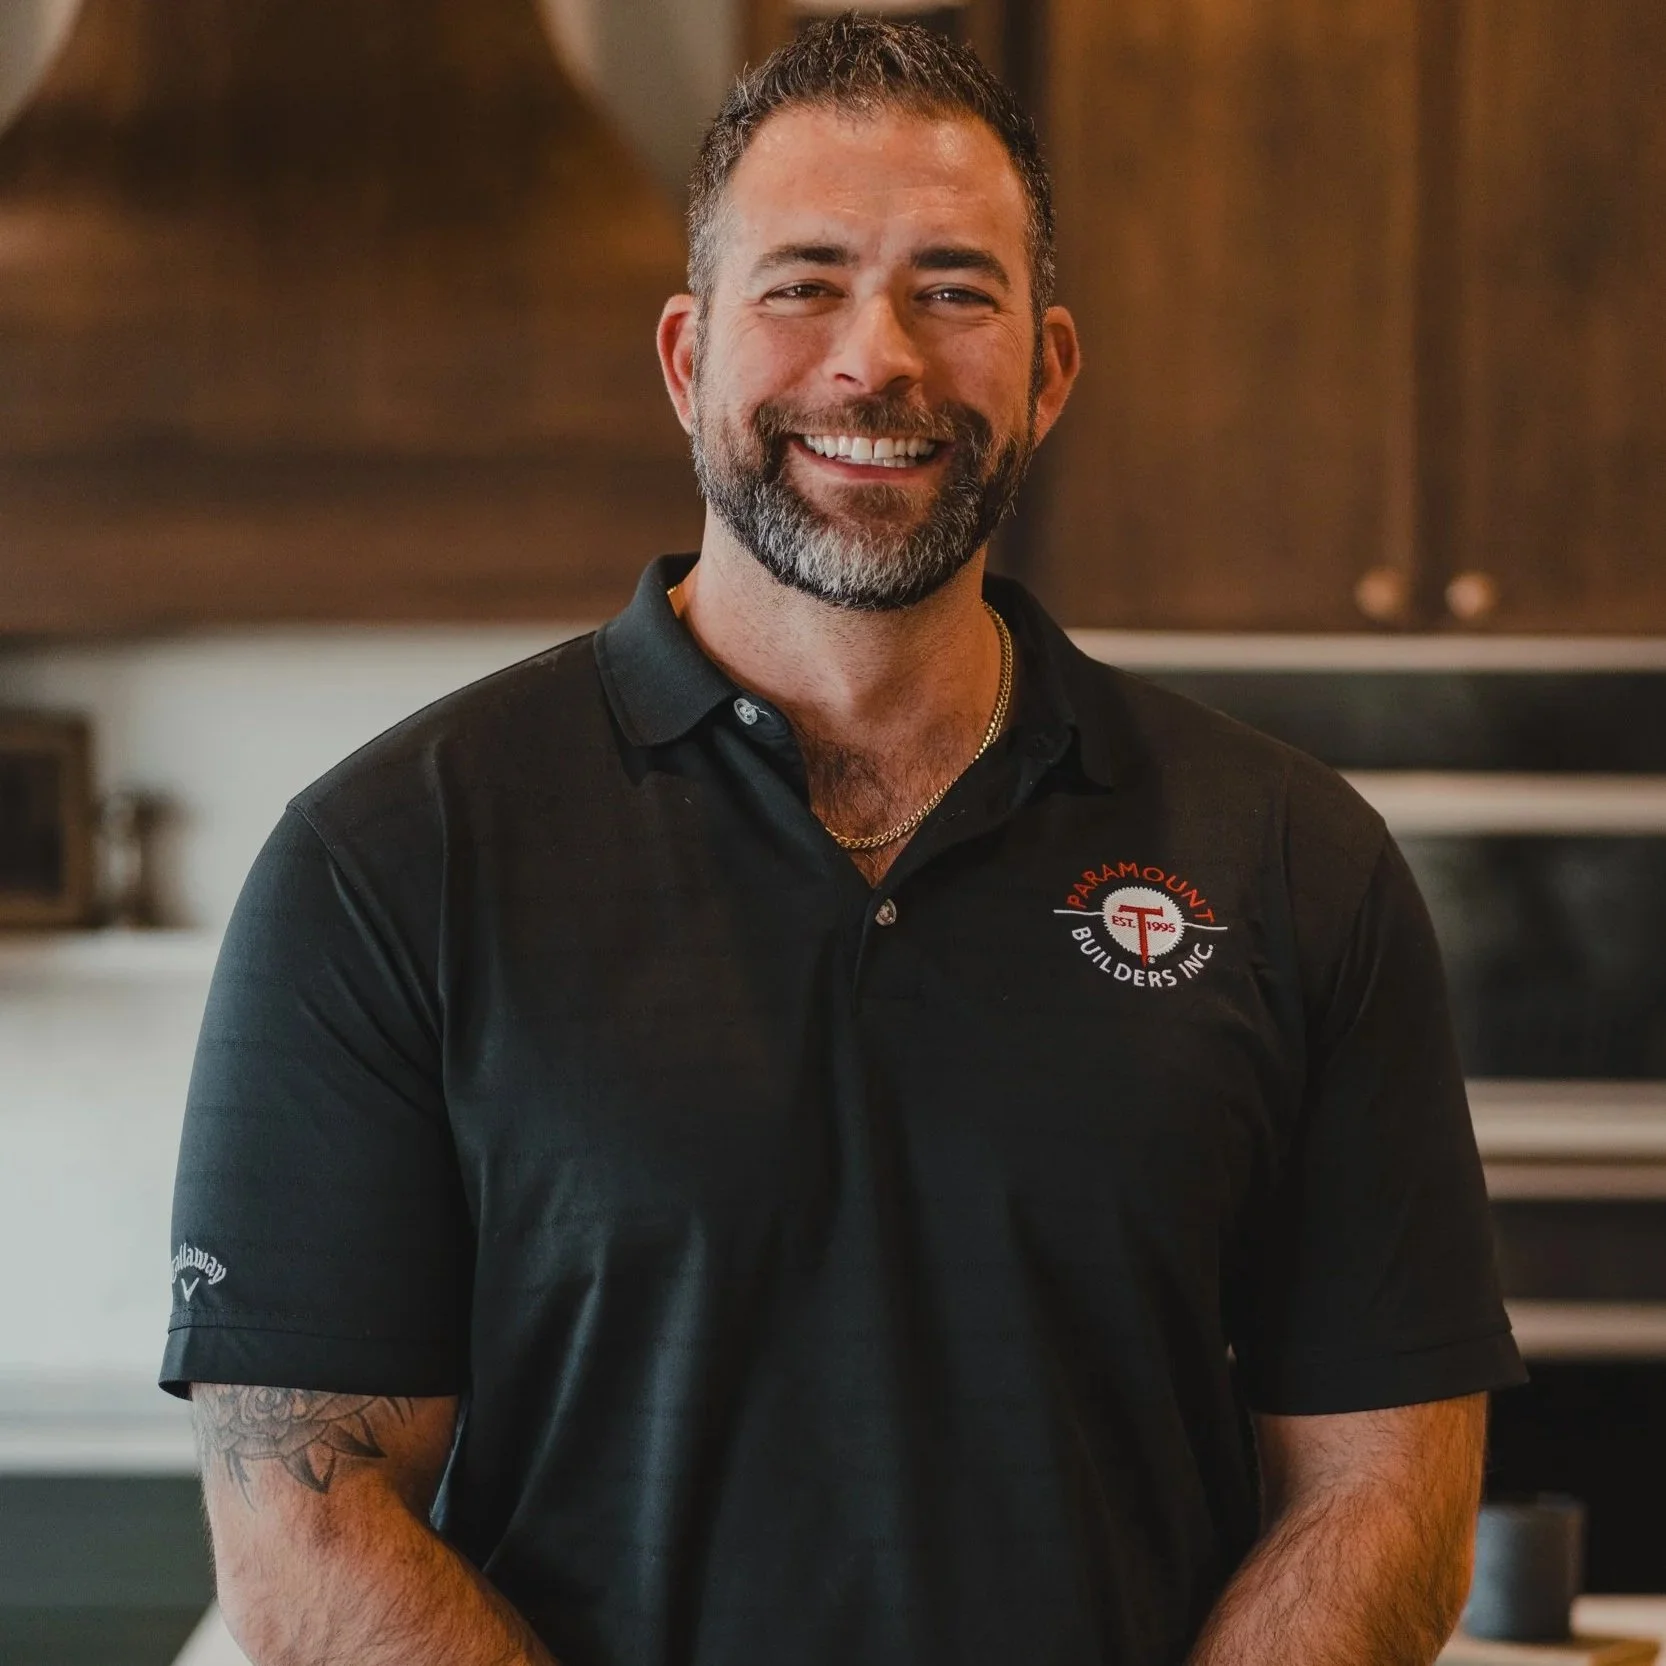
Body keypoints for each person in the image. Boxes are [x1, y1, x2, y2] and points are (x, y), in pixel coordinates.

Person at [162, 17, 1525, 1666]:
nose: (875, 359)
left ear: (1048, 371)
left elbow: (1386, 1483)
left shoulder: (1292, 858)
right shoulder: (389, 860)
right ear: (687, 359)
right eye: (803, 283)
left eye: (952, 290)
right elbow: (304, 1516)